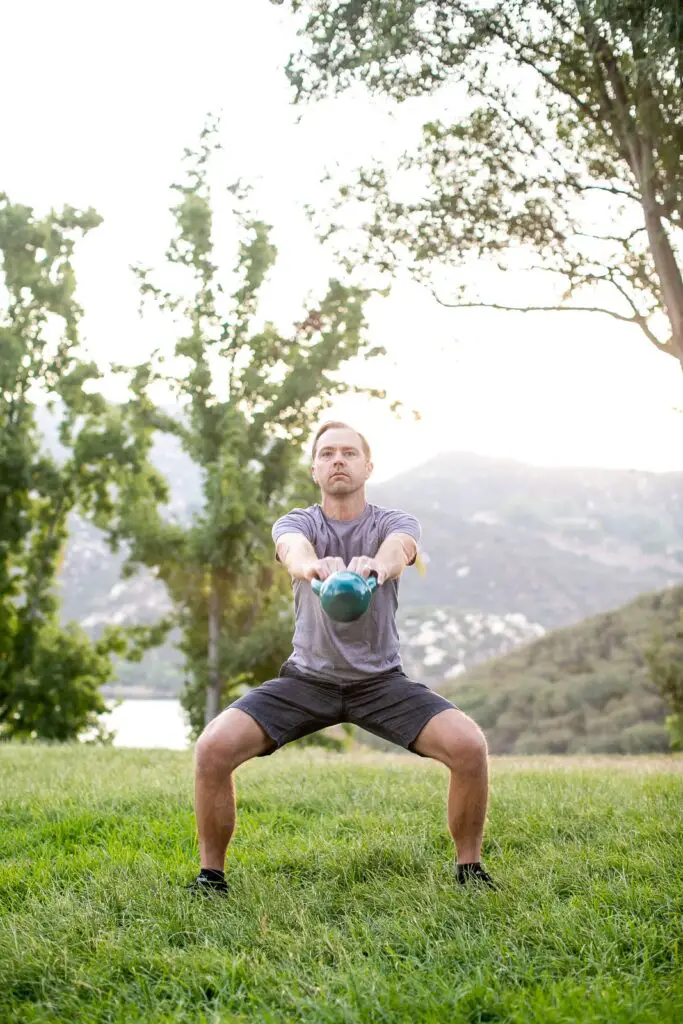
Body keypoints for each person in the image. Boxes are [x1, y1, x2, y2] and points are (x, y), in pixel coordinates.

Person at [188, 422, 495, 894]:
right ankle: (211, 878)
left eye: (349, 453)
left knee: (470, 747)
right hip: (307, 680)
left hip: (380, 683)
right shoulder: (299, 523)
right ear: (314, 469)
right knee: (212, 749)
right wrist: (310, 566)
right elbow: (292, 549)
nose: (337, 460)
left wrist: (379, 565)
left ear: (367, 466)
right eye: (327, 453)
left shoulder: (393, 523)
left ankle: (469, 872)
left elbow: (400, 549)